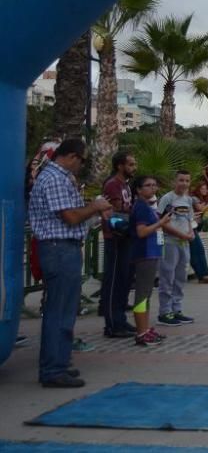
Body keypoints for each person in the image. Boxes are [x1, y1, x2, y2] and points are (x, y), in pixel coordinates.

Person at [28, 139, 113, 388]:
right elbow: (71, 217)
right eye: (83, 160)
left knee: (65, 310)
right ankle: (53, 369)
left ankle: (59, 363)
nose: (82, 165)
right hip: (59, 249)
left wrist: (94, 213)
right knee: (59, 310)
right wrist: (94, 206)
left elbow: (73, 218)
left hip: (63, 247)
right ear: (73, 156)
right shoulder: (55, 178)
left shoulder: (60, 178)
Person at [129, 175, 171, 347]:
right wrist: (161, 223)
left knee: (146, 294)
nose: (152, 188)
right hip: (144, 253)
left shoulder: (147, 206)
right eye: (148, 185)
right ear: (138, 189)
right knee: (142, 294)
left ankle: (145, 328)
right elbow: (141, 232)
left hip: (152, 253)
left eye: (154, 185)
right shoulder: (141, 207)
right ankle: (141, 332)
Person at [99, 151, 137, 339]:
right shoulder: (113, 184)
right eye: (130, 164)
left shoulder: (126, 185)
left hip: (126, 236)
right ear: (120, 166)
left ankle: (120, 318)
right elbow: (115, 210)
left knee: (125, 280)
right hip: (115, 237)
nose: (134, 168)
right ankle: (112, 324)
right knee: (114, 280)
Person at [157, 170, 197, 328]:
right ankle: (164, 311)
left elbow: (189, 220)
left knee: (181, 277)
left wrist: (190, 233)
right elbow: (162, 221)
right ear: (174, 181)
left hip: (184, 243)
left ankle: (176, 309)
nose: (184, 184)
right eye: (181, 180)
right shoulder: (167, 198)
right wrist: (180, 234)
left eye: (187, 180)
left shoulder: (188, 200)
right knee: (167, 276)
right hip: (170, 242)